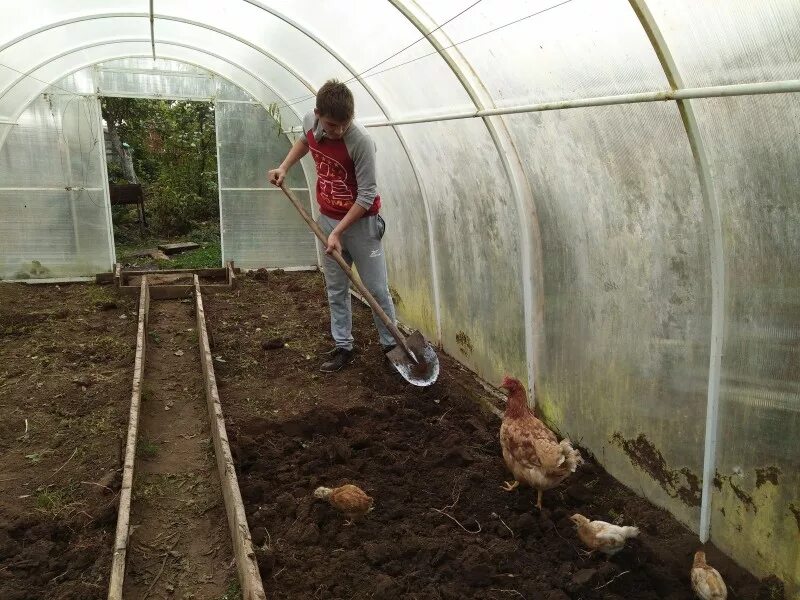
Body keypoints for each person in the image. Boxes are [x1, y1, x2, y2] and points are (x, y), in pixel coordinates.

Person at [268, 79, 398, 373]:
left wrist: (339, 232)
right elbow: (304, 141)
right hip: (328, 218)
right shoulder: (309, 123)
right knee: (336, 288)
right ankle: (343, 346)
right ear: (317, 114)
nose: (337, 131)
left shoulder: (361, 141)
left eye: (343, 125)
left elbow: (366, 195)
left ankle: (391, 347)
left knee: (376, 289)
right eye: (330, 125)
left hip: (362, 225)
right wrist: (284, 167)